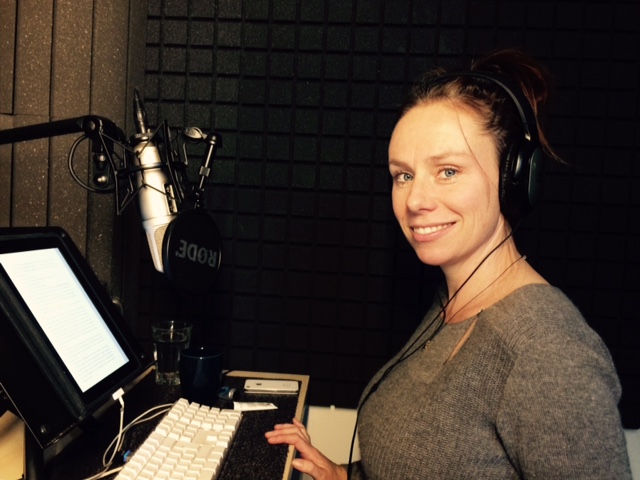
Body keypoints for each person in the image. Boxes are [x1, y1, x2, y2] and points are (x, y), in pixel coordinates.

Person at [265, 48, 632, 479]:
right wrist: (341, 475)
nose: (415, 200)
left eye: (448, 171)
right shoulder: (452, 304)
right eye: (404, 175)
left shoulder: (547, 350)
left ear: (513, 180)